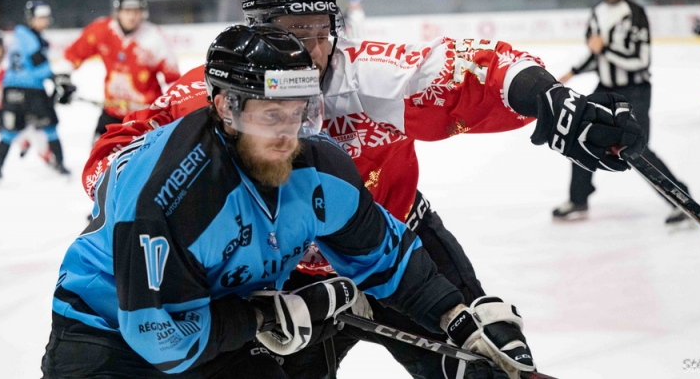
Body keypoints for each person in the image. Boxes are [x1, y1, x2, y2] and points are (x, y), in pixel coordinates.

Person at [83, 0, 645, 378]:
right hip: (282, 281)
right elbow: (115, 154)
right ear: (257, 30)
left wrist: (548, 98)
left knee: (486, 362)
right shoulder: (216, 95)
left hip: (392, 249)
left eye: (319, 31)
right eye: (289, 31)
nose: (311, 49)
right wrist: (162, 218)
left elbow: (475, 69)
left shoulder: (369, 76)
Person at [41, 24, 535, 379]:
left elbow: (387, 258)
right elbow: (160, 338)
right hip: (105, 338)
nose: (287, 133)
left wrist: (461, 320)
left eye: (299, 112)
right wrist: (262, 317)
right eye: (269, 114)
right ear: (225, 109)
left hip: (216, 317)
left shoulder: (320, 168)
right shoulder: (167, 197)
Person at [555, 0, 689, 225]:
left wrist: (604, 48)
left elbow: (640, 60)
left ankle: (679, 198)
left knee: (636, 149)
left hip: (635, 90)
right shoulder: (596, 14)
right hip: (606, 89)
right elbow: (595, 55)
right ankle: (578, 198)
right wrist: (571, 72)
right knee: (578, 137)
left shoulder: (635, 13)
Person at [62, 0, 180, 141]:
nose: (132, 16)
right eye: (127, 11)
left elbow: (174, 80)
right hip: (112, 112)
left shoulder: (154, 38)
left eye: (136, 11)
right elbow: (74, 54)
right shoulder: (102, 30)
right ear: (118, 12)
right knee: (97, 159)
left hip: (145, 116)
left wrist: (174, 106)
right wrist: (62, 78)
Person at [0, 1, 75, 181]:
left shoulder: (20, 35)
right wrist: (56, 79)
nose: (44, 21)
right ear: (31, 19)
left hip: (11, 90)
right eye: (40, 18)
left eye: (45, 17)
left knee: (9, 132)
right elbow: (39, 66)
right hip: (31, 91)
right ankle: (61, 166)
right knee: (50, 127)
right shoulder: (31, 38)